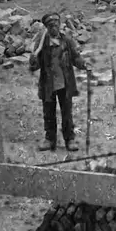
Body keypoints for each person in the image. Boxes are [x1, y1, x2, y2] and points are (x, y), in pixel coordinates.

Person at [29, 12, 88, 152]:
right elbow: (34, 66)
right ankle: (49, 139)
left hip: (65, 83)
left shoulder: (66, 41)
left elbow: (75, 57)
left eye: (56, 25)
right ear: (47, 28)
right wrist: (33, 60)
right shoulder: (42, 44)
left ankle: (70, 139)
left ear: (59, 25)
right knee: (48, 112)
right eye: (50, 26)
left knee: (67, 112)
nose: (54, 28)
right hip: (48, 83)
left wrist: (84, 65)